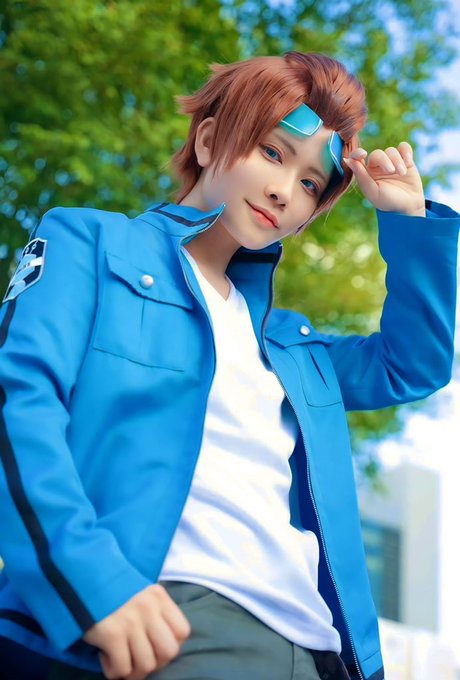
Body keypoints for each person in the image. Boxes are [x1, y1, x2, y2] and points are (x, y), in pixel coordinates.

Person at [0, 51, 458, 680]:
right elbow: (18, 402)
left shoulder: (291, 348)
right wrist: (91, 582)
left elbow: (412, 366)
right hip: (176, 621)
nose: (283, 191)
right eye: (272, 152)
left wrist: (407, 221)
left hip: (325, 651)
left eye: (309, 184)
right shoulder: (92, 243)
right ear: (210, 139)